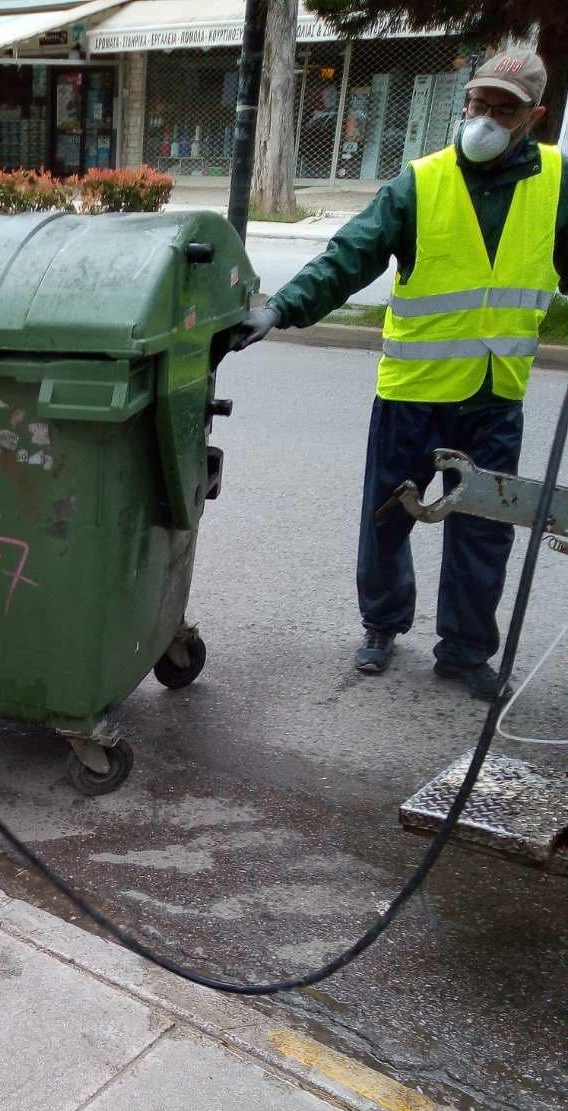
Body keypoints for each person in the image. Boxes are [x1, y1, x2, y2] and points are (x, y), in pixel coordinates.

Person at [238, 51, 568, 701]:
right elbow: (350, 255)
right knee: (389, 516)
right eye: (477, 104)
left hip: (495, 395)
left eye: (503, 110)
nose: (484, 120)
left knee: (485, 530)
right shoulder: (421, 182)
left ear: (534, 117)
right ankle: (383, 625)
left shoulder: (557, 183)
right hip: (413, 393)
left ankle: (467, 650)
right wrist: (282, 307)